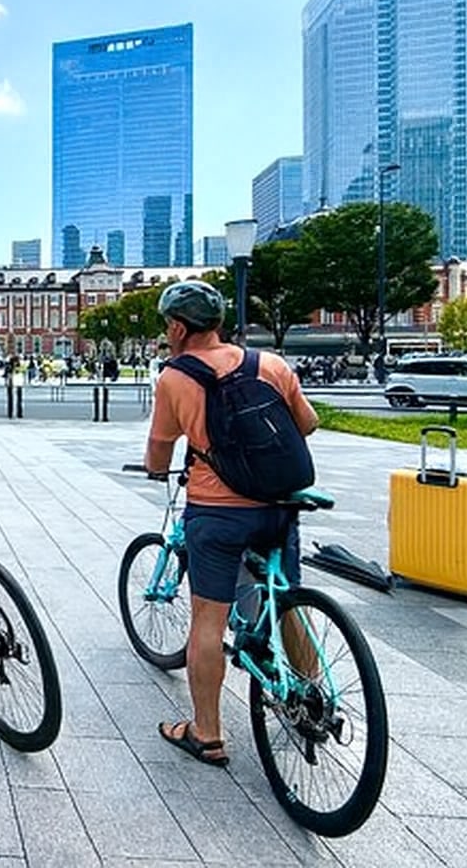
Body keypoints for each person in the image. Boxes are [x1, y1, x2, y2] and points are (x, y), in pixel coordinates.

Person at [143, 279, 317, 767]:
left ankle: (206, 733)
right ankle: (309, 698)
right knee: (286, 603)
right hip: (279, 507)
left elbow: (159, 450)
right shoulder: (272, 365)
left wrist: (159, 467)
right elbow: (307, 424)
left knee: (207, 618)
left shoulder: (176, 377)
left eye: (167, 326)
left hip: (217, 513)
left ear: (178, 327)